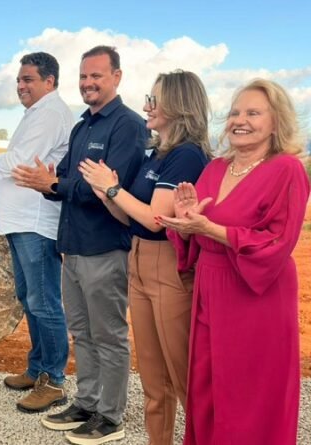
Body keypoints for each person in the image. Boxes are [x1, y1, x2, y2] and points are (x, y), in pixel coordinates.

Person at [156, 79, 309, 445]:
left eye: (253, 113)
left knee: (250, 392)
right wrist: (187, 222)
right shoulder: (215, 168)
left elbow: (278, 241)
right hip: (211, 289)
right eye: (235, 112)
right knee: (208, 386)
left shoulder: (287, 169)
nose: (240, 120)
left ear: (276, 122)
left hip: (256, 294)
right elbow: (191, 237)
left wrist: (211, 228)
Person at [13, 46, 147, 444]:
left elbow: (105, 190)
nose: (88, 83)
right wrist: (51, 183)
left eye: (97, 76)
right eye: (84, 76)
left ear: (117, 77)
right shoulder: (83, 125)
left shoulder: (127, 126)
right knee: (83, 333)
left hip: (105, 249)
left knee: (109, 336)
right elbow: (70, 181)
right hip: (72, 247)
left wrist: (55, 184)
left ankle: (110, 417)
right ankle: (87, 402)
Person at [79, 70, 211, 445]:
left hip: (167, 267)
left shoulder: (187, 156)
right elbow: (130, 216)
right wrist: (108, 195)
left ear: (178, 105)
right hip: (139, 263)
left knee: (184, 379)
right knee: (153, 381)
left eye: (154, 100)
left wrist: (114, 188)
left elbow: (157, 220)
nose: (146, 107)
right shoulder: (158, 154)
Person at [0, 52, 72, 413]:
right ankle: (37, 367)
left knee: (44, 301)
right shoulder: (36, 113)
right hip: (21, 222)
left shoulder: (51, 113)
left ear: (49, 81)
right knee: (29, 297)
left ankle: (53, 379)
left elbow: (18, 165)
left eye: (29, 79)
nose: (21, 86)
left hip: (36, 222)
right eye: (19, 80)